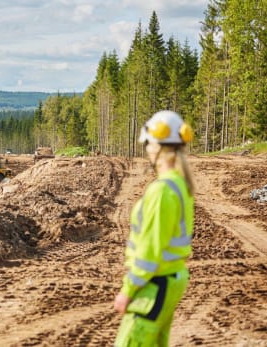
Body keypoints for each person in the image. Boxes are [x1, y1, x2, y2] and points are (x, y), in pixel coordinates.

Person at [114, 110, 195, 347]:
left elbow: (149, 251)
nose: (147, 149)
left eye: (148, 144)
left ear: (156, 146)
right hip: (170, 279)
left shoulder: (161, 191)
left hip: (154, 284)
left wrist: (128, 290)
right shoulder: (180, 185)